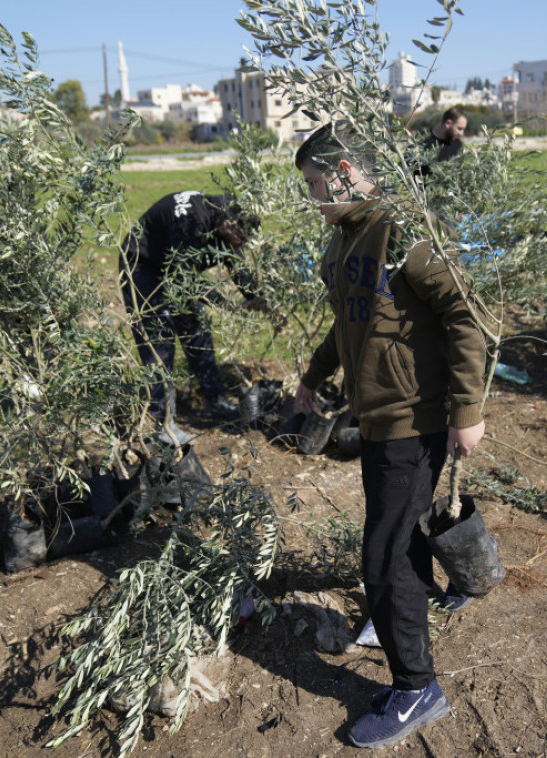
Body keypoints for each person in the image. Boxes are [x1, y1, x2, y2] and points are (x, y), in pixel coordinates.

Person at [294, 123, 487, 749]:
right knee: (397, 543)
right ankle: (416, 631)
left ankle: (415, 687)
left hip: (416, 416)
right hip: (376, 417)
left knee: (382, 555)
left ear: (347, 171)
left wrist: (467, 410)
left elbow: (465, 315)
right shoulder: (345, 241)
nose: (316, 199)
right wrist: (315, 376)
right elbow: (347, 323)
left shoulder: (402, 230)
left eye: (319, 185)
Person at [119, 190, 258, 444]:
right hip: (142, 264)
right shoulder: (192, 222)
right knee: (159, 341)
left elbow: (234, 258)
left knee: (196, 329)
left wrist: (256, 297)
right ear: (229, 225)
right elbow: (184, 280)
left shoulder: (226, 217)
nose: (243, 244)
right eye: (241, 238)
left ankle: (215, 402)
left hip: (174, 267)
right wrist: (224, 303)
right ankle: (162, 425)